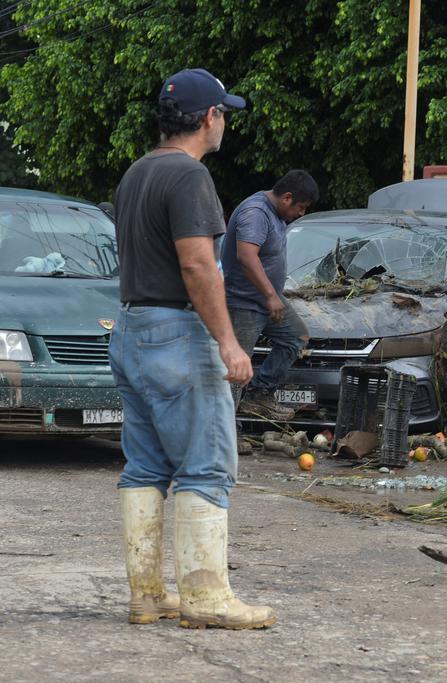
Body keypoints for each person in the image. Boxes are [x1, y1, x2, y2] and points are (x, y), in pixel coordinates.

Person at [110, 68, 275, 629]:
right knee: (207, 465)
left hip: (132, 330)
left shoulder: (137, 173)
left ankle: (148, 594)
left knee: (146, 467)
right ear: (209, 118)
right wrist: (229, 343)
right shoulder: (189, 177)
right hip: (177, 335)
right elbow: (197, 263)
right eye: (224, 113)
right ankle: (206, 599)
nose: (225, 122)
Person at [221, 170, 318, 422]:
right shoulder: (256, 213)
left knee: (295, 337)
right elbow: (246, 256)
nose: (301, 214)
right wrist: (270, 295)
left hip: (266, 300)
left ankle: (258, 395)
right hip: (244, 303)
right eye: (301, 207)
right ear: (287, 198)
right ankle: (225, 436)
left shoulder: (275, 214)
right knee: (236, 370)